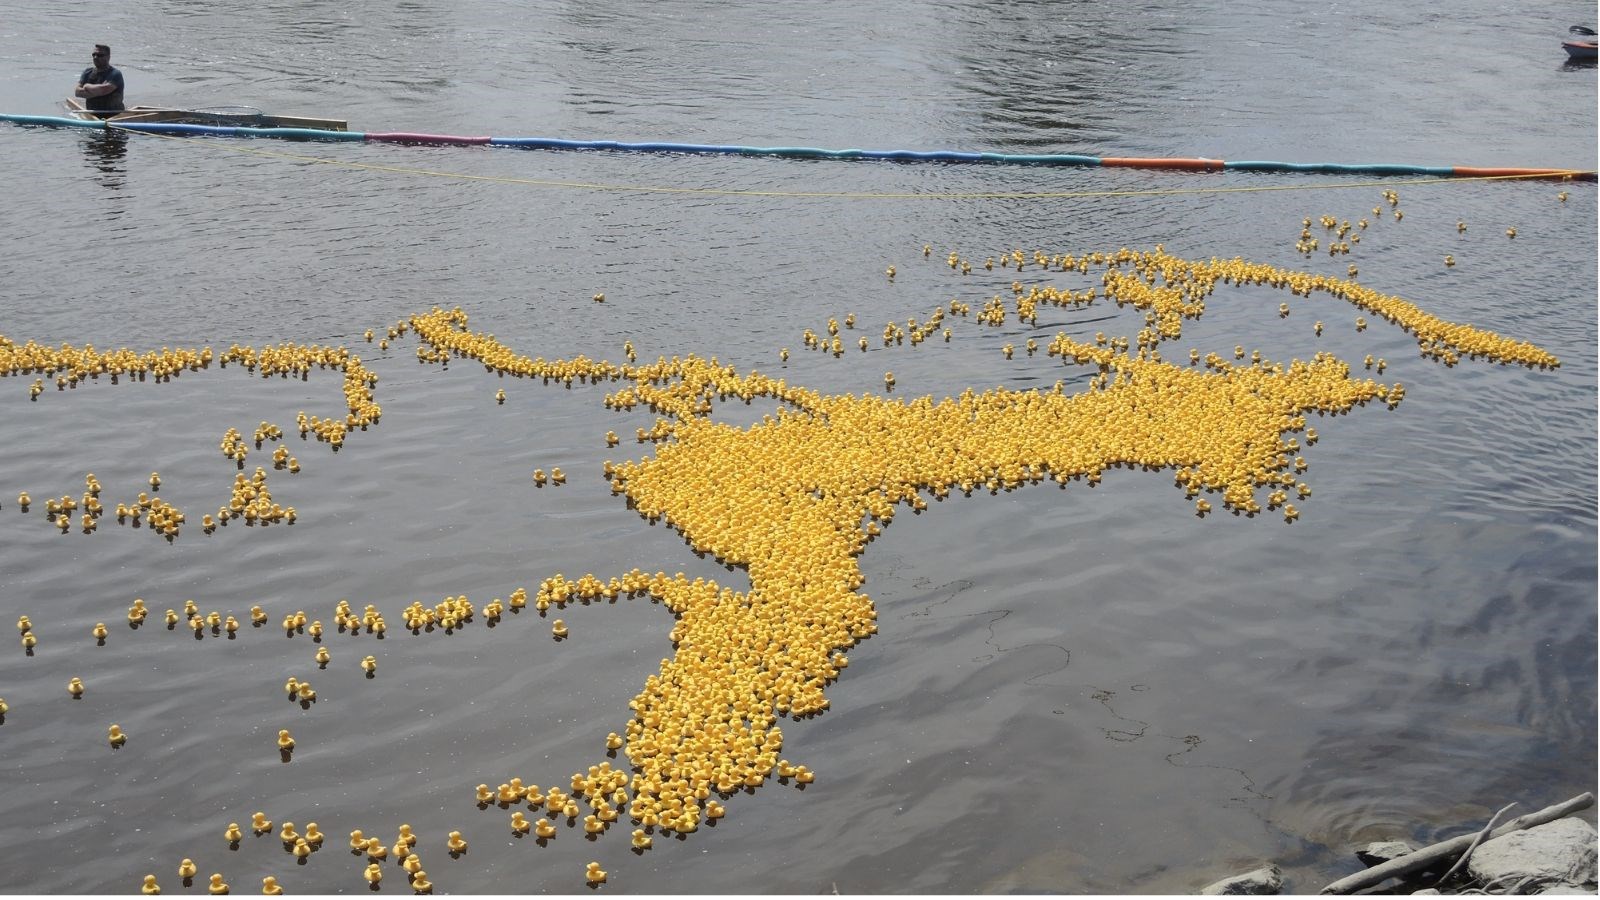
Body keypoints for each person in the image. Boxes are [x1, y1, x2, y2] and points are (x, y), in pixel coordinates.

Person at [75, 44, 125, 113]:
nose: (95, 57)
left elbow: (103, 90)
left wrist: (87, 86)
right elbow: (77, 92)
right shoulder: (87, 72)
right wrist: (97, 91)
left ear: (108, 57)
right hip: (92, 114)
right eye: (94, 55)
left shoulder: (115, 74)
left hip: (114, 115)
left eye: (99, 55)